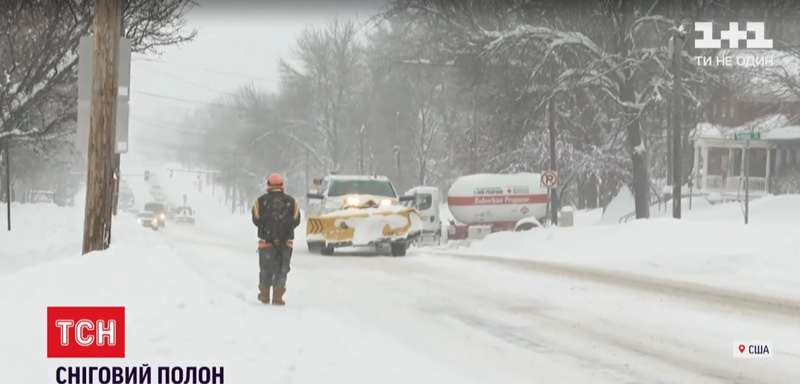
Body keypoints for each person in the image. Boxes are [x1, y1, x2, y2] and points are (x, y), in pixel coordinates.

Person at [251, 173, 301, 305]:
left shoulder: (260, 201)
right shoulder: (291, 202)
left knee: (265, 269)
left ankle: (264, 295)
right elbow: (296, 220)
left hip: (265, 243)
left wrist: (267, 226)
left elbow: (256, 220)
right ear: (282, 185)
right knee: (282, 269)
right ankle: (278, 297)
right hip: (286, 244)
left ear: (268, 185)